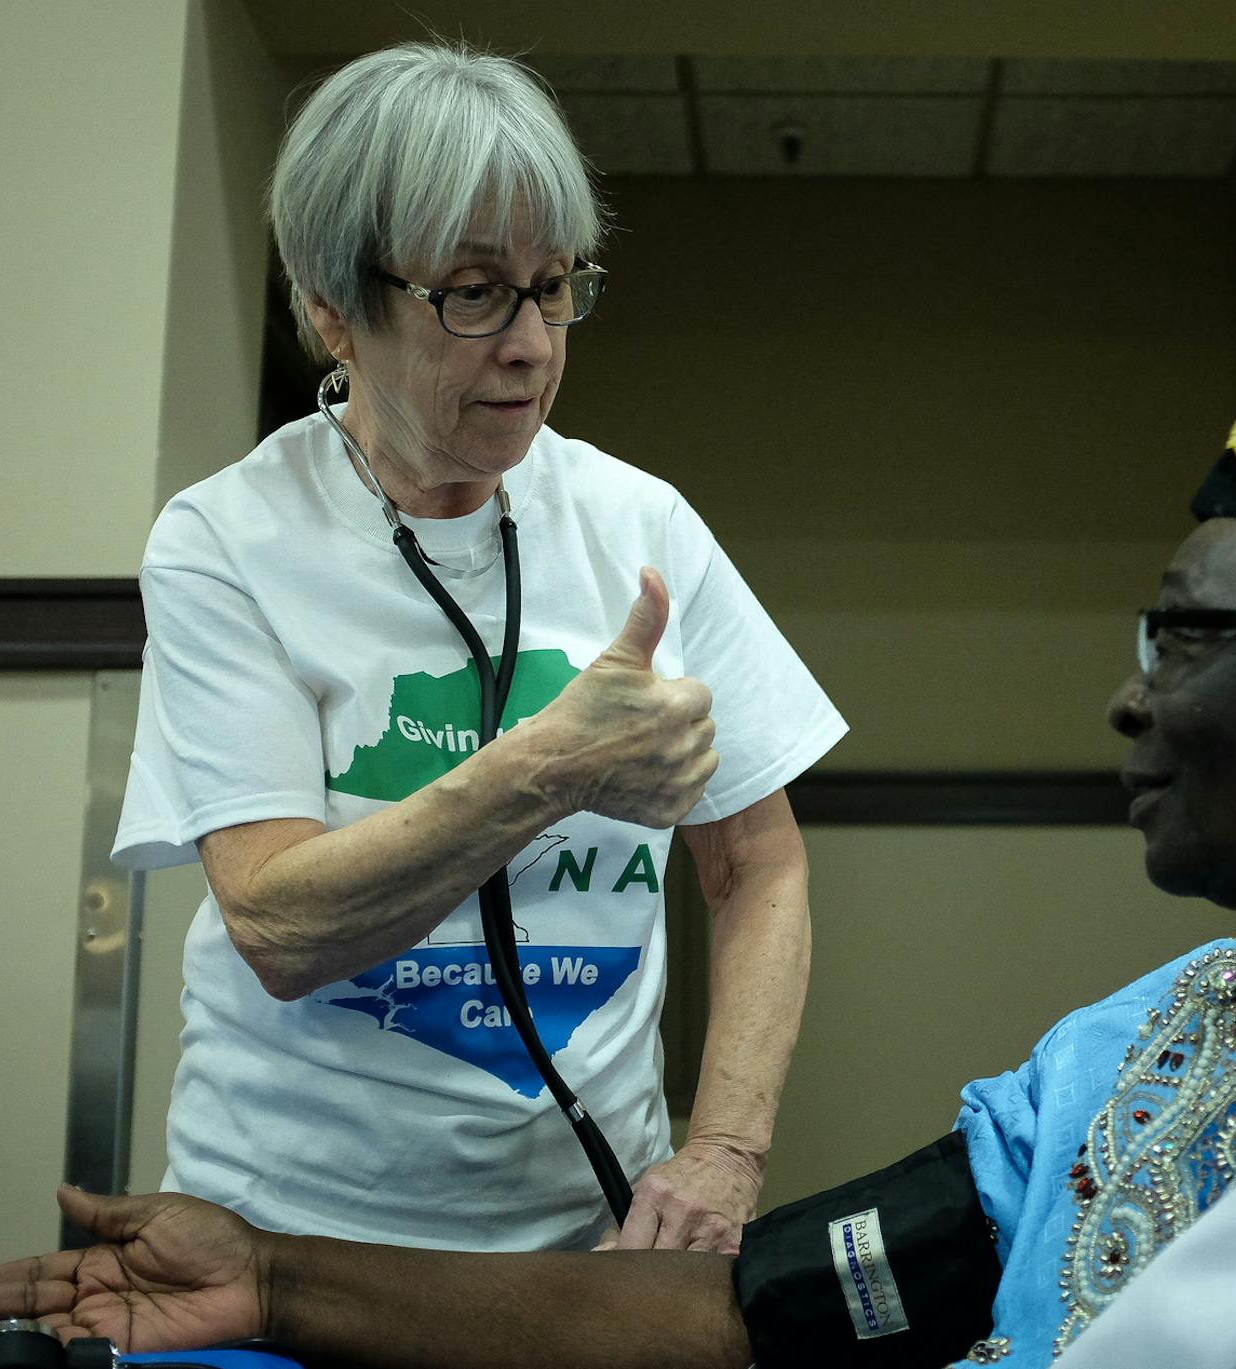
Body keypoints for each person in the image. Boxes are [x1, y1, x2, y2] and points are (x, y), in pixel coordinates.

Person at [0, 356, 1236, 1366]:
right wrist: (274, 1276)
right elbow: (746, 1321)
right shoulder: (1131, 1065)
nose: (1128, 704)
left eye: (1185, 640)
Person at [109, 41, 845, 1257]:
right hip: (284, 1241)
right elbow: (282, 928)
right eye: (472, 291)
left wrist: (721, 1151)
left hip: (582, 1243)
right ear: (332, 307)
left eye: (554, 285)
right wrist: (550, 765)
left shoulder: (640, 525)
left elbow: (757, 869)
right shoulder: (226, 540)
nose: (534, 343)